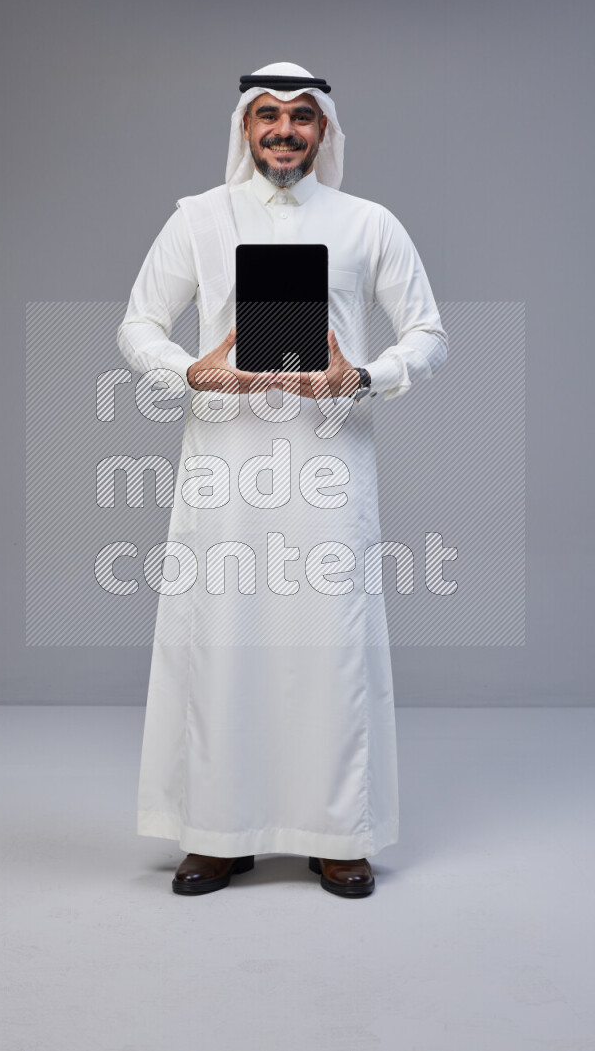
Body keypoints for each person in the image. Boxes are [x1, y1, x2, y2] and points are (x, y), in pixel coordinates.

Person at [116, 62, 448, 897]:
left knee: (330, 645)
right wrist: (190, 371)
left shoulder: (368, 223)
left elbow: (428, 333)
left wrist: (362, 376)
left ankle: (337, 834)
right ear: (245, 126)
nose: (285, 130)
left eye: (302, 116)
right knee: (222, 642)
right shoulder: (199, 219)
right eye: (268, 114)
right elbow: (139, 324)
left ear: (324, 129)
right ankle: (216, 833)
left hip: (330, 466)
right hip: (225, 469)